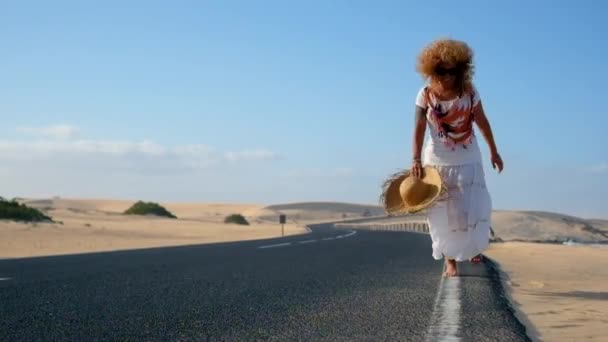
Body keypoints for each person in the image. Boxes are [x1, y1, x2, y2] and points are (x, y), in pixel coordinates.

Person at [411, 38, 503, 277]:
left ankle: (472, 248)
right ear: (432, 70)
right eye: (442, 71)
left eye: (453, 71)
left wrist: (494, 150)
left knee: (471, 206)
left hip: (468, 157)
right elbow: (419, 128)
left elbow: (482, 122)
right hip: (437, 161)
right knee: (441, 212)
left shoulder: (470, 92)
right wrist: (415, 159)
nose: (448, 76)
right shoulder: (425, 95)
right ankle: (450, 261)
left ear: (461, 70)